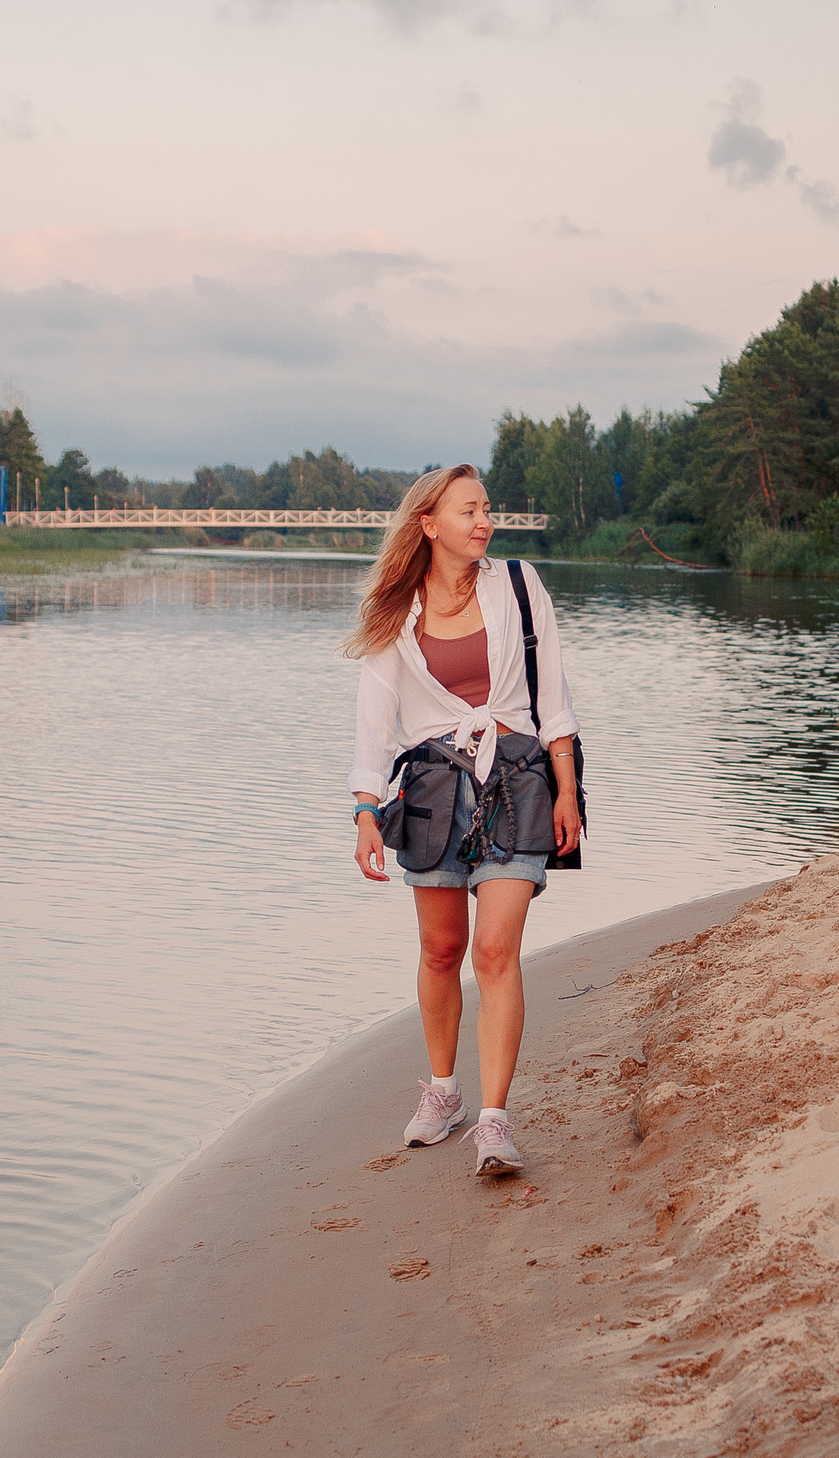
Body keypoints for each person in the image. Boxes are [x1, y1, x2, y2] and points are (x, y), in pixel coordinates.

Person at [347, 464, 580, 1176]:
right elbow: (374, 722)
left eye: (487, 508)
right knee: (442, 949)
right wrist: (364, 810)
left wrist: (566, 789)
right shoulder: (396, 612)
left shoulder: (518, 583)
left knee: (495, 949)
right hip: (431, 788)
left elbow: (555, 696)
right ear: (429, 523)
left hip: (517, 780)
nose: (483, 521)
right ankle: (444, 1091)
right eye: (467, 510)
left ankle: (494, 1121)